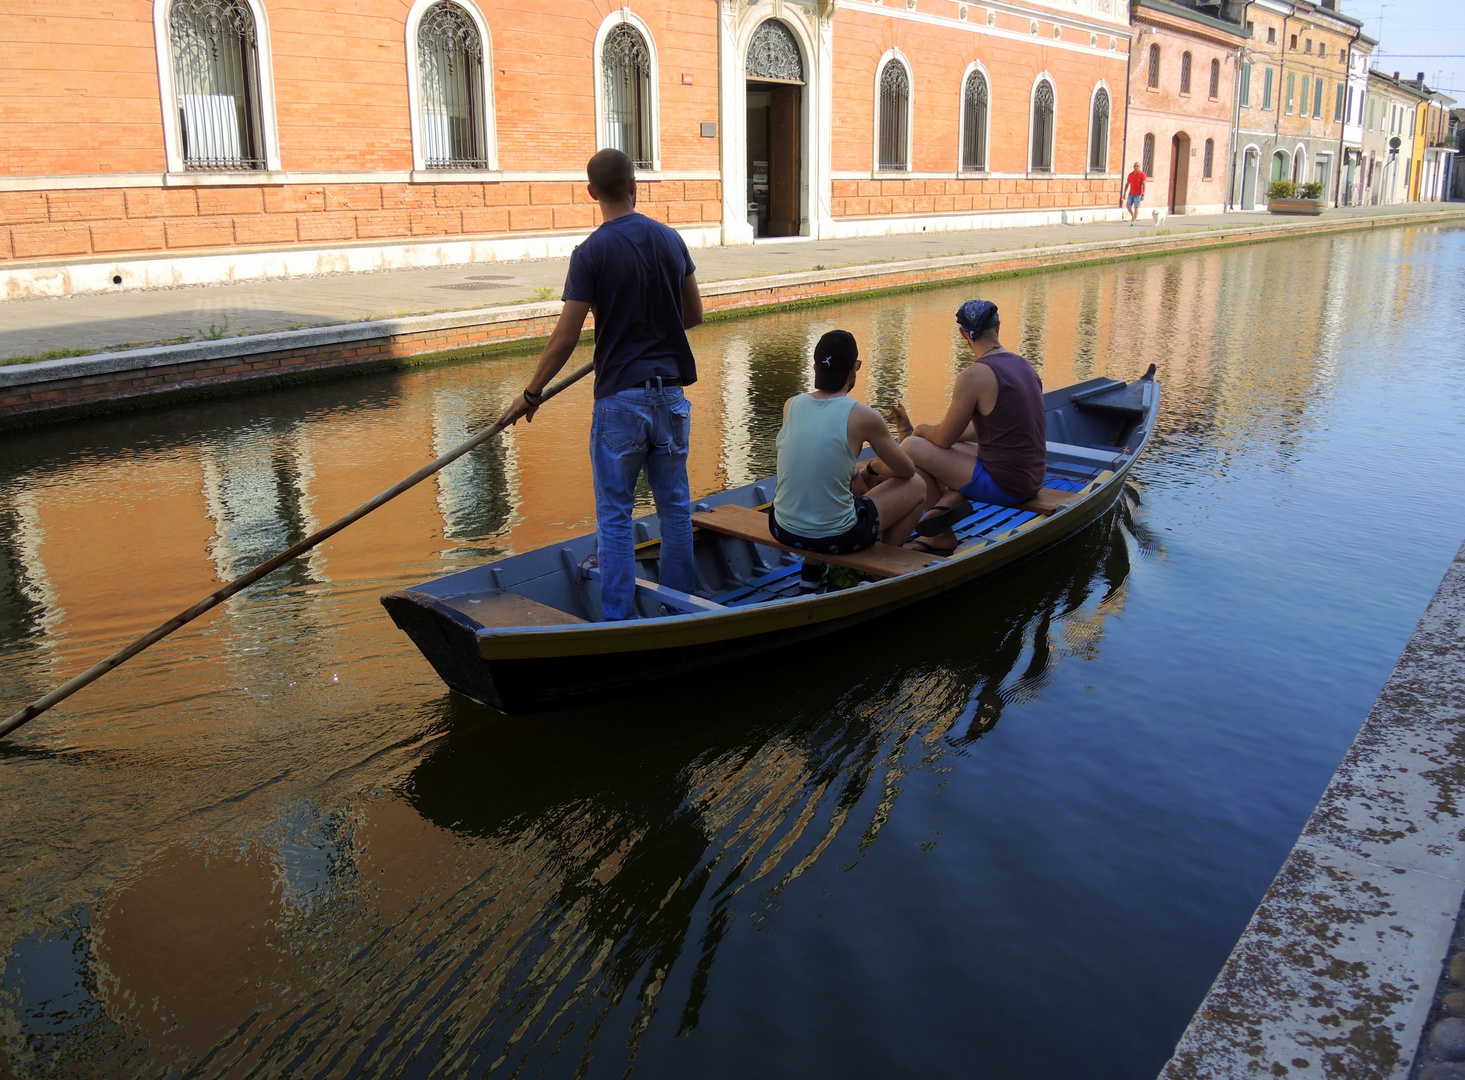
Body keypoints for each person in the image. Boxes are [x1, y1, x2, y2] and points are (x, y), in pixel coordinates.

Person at [496, 148, 703, 620]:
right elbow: (693, 314)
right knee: (674, 509)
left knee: (615, 515)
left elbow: (566, 336)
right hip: (670, 395)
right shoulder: (672, 240)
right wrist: (652, 330)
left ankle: (617, 619)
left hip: (620, 400)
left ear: (591, 193)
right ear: (635, 186)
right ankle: (684, 613)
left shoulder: (590, 253)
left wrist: (532, 394)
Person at [885, 300, 1046, 555]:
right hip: (1032, 477)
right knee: (952, 445)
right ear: (998, 327)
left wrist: (921, 430)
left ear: (963, 334)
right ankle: (949, 501)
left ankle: (940, 532)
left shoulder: (974, 375)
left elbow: (943, 438)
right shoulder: (1023, 365)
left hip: (1005, 486)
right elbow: (977, 430)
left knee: (913, 447)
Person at [771, 330, 926, 588]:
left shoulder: (791, 404)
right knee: (918, 486)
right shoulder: (863, 415)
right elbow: (906, 470)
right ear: (853, 370)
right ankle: (875, 572)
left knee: (827, 485)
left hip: (782, 529)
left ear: (814, 367)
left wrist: (855, 474)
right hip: (836, 537)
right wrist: (873, 466)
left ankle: (812, 569)